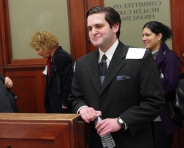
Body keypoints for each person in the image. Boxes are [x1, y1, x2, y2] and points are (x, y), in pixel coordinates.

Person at [68, 6, 165, 148]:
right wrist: (82, 108)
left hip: (132, 141)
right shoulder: (82, 63)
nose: (93, 32)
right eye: (89, 28)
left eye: (99, 26)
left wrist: (120, 121)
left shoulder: (141, 59)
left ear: (115, 26)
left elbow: (154, 102)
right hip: (95, 142)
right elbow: (75, 98)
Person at [142, 21, 182, 148]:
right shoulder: (144, 57)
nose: (144, 39)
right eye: (143, 35)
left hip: (162, 116)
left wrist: (147, 88)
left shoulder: (170, 57)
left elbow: (170, 84)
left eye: (148, 35)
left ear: (159, 36)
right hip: (146, 116)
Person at [30, 31, 74, 113]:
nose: (37, 53)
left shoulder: (62, 57)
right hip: (55, 108)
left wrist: (65, 104)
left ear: (46, 45)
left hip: (63, 110)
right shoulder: (51, 59)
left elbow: (69, 83)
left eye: (38, 49)